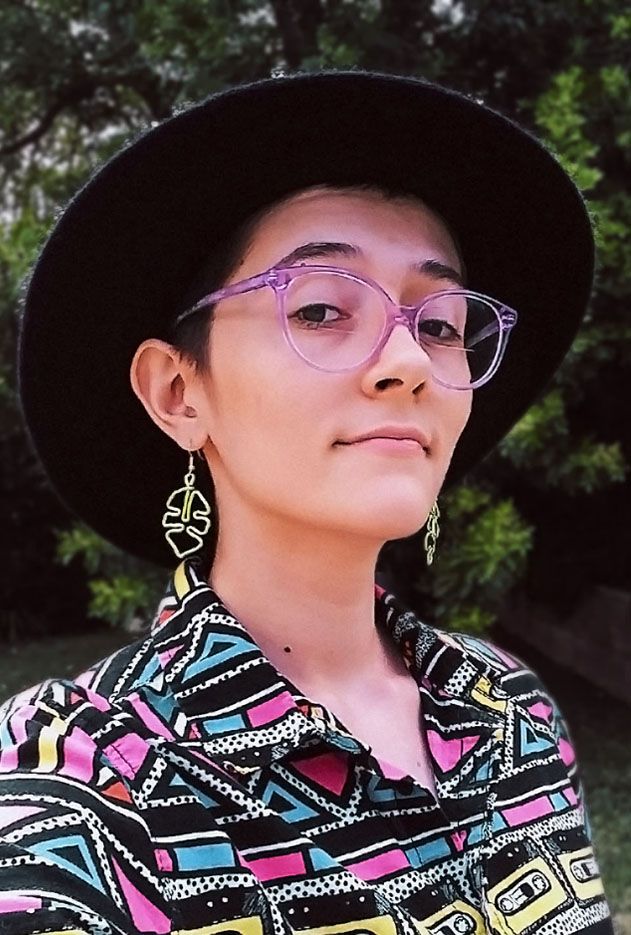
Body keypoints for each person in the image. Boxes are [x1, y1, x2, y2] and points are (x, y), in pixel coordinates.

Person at [3, 70, 613, 934]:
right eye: (323, 308)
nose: (409, 361)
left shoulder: (513, 711)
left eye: (440, 324)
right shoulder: (82, 789)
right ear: (178, 392)